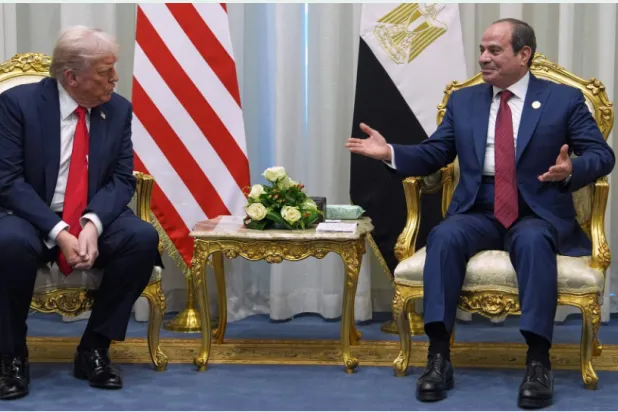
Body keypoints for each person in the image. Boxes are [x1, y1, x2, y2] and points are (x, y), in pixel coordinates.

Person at [346, 18, 615, 409]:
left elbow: (602, 155)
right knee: (443, 236)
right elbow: (436, 152)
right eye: (482, 50)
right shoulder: (465, 101)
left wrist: (573, 168)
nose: (484, 58)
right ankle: (439, 357)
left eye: (494, 50)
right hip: (478, 207)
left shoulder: (563, 100)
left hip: (535, 207)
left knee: (534, 241)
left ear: (524, 54)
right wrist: (391, 153)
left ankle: (538, 361)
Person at [0, 26, 160, 400]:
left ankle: (94, 349)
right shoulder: (17, 105)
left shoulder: (117, 109)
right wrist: (59, 230)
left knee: (141, 238)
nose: (115, 78)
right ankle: (11, 357)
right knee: (8, 243)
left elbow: (121, 179)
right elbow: (8, 180)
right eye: (105, 71)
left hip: (90, 213)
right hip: (31, 215)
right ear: (71, 77)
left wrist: (91, 224)